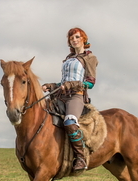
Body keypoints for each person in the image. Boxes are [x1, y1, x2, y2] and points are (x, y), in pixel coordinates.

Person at [42, 27, 98, 171]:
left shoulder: (89, 58)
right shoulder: (68, 59)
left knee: (69, 121)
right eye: (71, 38)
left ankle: (81, 158)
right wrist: (52, 85)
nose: (74, 40)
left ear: (83, 39)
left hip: (76, 95)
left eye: (77, 37)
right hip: (61, 96)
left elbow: (90, 83)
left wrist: (70, 85)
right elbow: (64, 82)